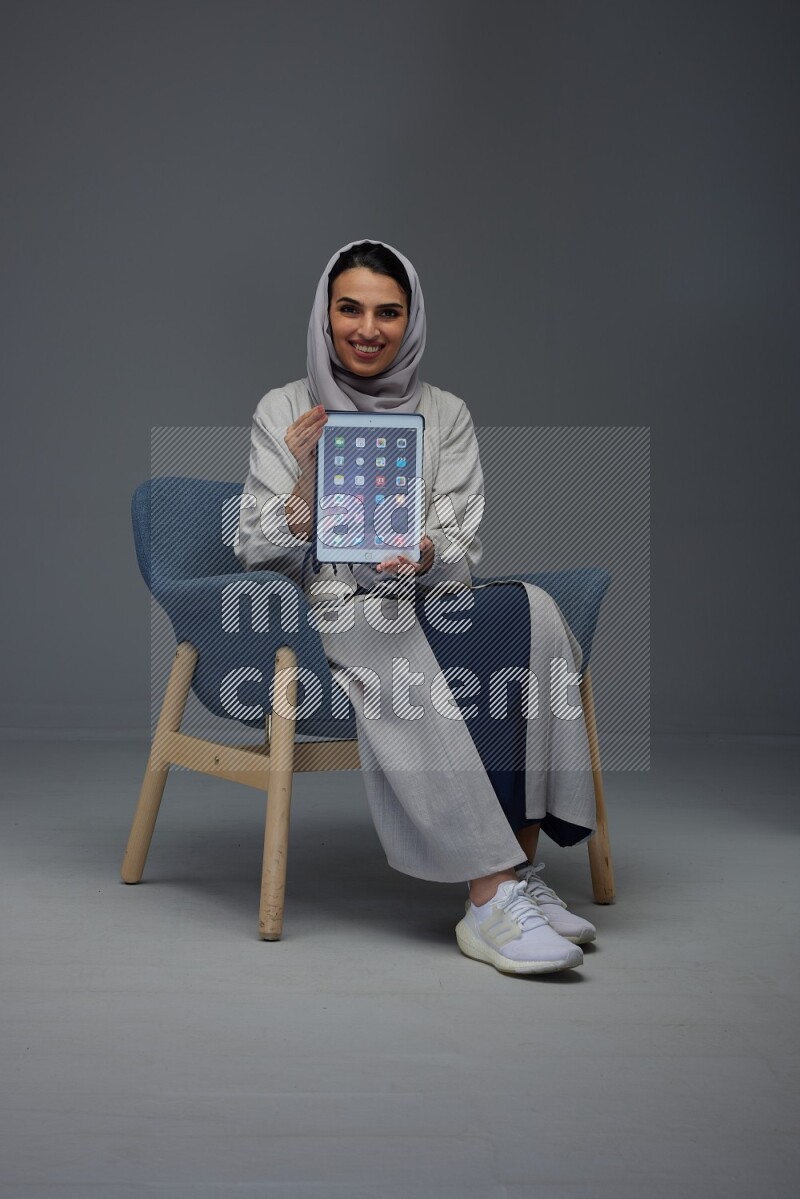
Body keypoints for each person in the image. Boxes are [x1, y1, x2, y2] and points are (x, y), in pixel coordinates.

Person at [236, 239, 598, 976]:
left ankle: (519, 867)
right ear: (325, 314)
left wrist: (427, 551)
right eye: (350, 309)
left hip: (427, 595)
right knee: (388, 632)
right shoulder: (283, 408)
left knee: (534, 612)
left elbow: (465, 538)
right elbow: (253, 544)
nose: (367, 328)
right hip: (338, 609)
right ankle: (489, 897)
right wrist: (306, 490)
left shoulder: (446, 413)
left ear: (411, 319)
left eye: (387, 312)